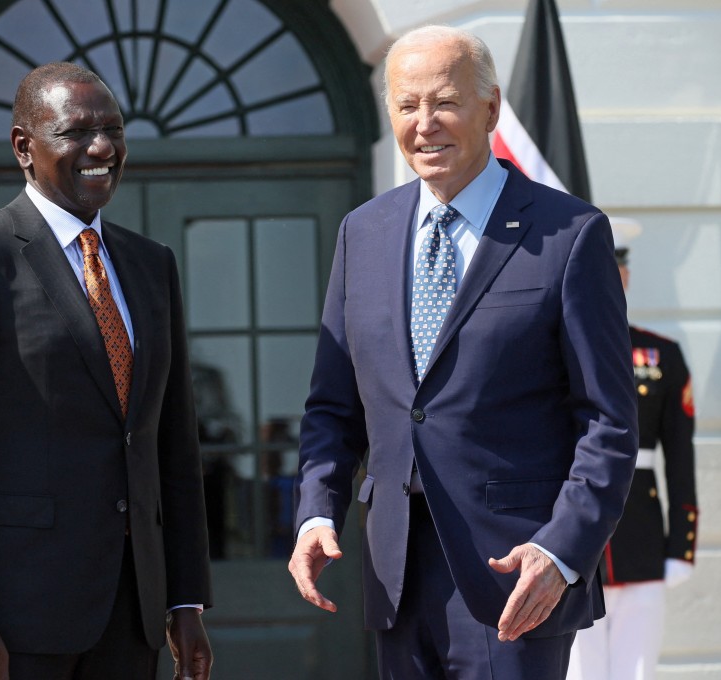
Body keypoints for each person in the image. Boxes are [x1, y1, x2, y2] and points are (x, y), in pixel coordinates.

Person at [287, 25, 638, 679]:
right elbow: (333, 409)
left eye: (443, 101)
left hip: (517, 579)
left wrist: (562, 553)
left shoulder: (569, 235)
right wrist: (315, 512)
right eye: (406, 105)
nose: (425, 124)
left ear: (491, 108)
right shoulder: (362, 233)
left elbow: (609, 424)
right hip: (395, 575)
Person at [0, 62, 212, 680]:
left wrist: (184, 598)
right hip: (13, 622)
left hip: (131, 617)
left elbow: (172, 447)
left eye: (114, 129)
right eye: (76, 132)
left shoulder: (152, 266)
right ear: (24, 147)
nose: (102, 147)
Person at [567, 218, 698, 680]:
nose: (616, 275)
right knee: (580, 671)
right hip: (570, 535)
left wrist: (681, 544)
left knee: (636, 670)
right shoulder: (554, 347)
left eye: (620, 265)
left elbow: (680, 456)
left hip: (640, 534)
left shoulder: (661, 355)